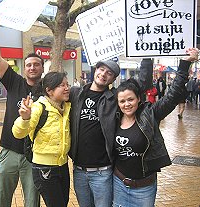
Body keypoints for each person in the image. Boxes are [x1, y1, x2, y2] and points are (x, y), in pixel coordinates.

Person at [112, 48, 199, 207]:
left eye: (130, 99)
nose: (127, 104)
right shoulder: (114, 119)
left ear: (138, 99)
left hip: (144, 188)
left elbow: (172, 96)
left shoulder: (150, 114)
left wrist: (184, 65)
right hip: (118, 184)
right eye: (122, 101)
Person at [69, 59, 153, 207]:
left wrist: (145, 58)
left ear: (113, 79)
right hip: (79, 171)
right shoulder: (76, 94)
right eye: (101, 69)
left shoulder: (114, 98)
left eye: (109, 73)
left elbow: (141, 85)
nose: (103, 74)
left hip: (103, 173)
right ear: (95, 70)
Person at [0, 13, 41, 207]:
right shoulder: (14, 81)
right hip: (8, 151)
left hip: (34, 155)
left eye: (36, 64)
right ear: (24, 69)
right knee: (0, 201)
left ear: (42, 68)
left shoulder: (47, 89)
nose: (32, 67)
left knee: (32, 202)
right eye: (28, 65)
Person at [12, 72, 71, 207]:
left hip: (62, 165)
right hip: (44, 168)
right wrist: (25, 118)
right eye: (62, 85)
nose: (67, 88)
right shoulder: (39, 107)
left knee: (63, 203)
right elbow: (18, 133)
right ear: (49, 91)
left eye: (68, 84)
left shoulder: (66, 107)